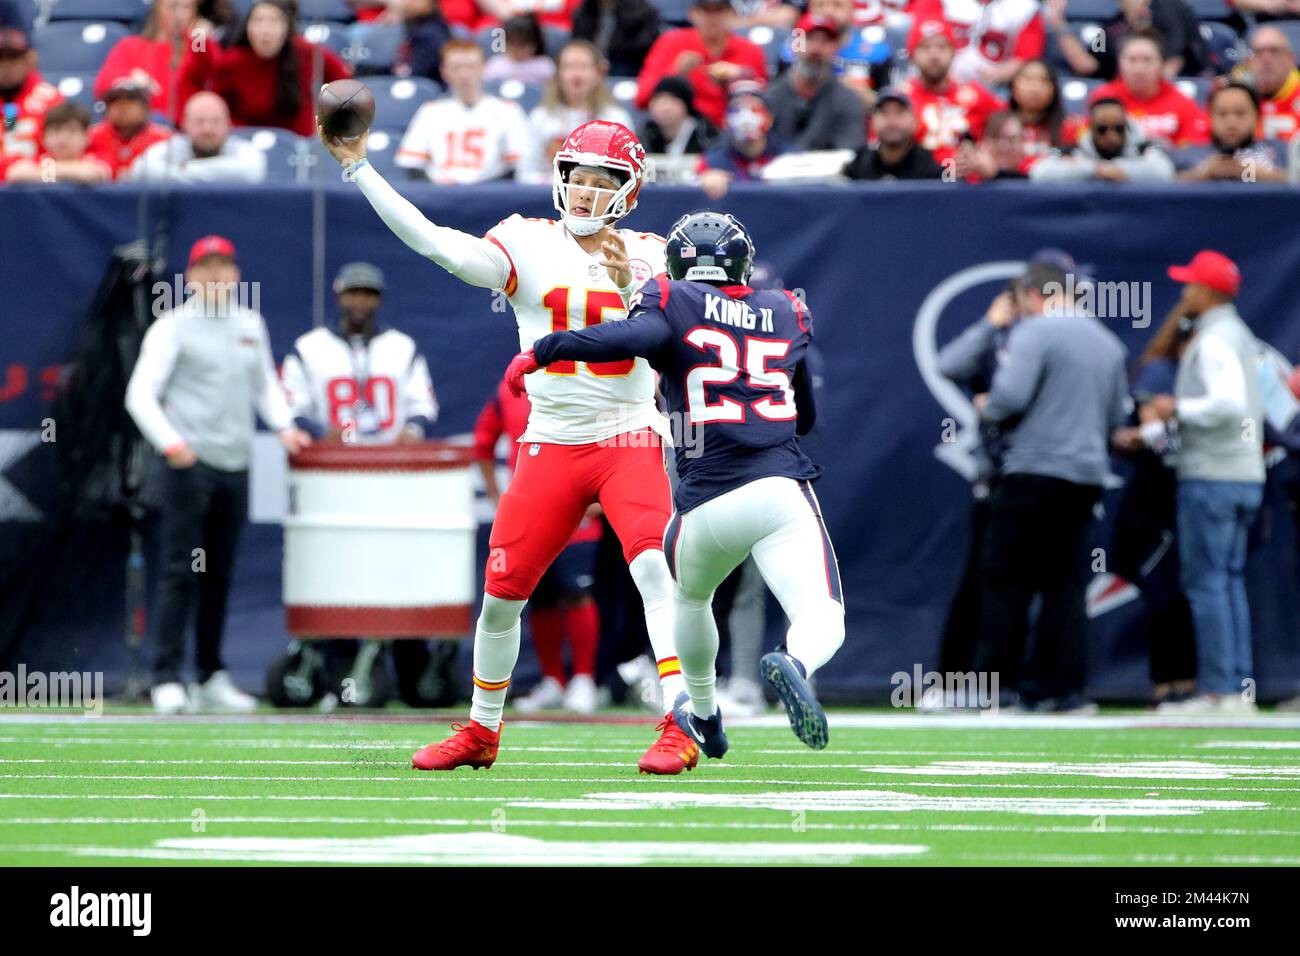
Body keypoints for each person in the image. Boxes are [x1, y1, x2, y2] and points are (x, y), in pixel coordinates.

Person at [320, 119, 698, 774]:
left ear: (629, 192)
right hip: (549, 441)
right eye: (575, 177)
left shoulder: (652, 253)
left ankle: (678, 721)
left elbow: (685, 339)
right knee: (502, 593)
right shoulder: (526, 241)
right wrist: (360, 169)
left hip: (629, 432)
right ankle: (481, 731)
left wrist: (637, 288)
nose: (583, 192)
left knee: (653, 570)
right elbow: (438, 245)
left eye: (600, 182)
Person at [506, 211, 844, 756]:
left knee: (689, 598)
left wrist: (546, 349)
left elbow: (628, 336)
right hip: (778, 486)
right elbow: (804, 415)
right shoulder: (787, 310)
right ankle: (794, 660)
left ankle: (705, 712)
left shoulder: (669, 297)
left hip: (701, 502)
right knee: (822, 612)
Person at [125, 235, 313, 714]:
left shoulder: (250, 323)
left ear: (235, 275)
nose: (215, 276)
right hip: (189, 467)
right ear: (191, 277)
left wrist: (285, 427)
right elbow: (140, 395)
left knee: (218, 574)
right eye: (206, 268)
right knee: (178, 571)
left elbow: (264, 386)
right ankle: (167, 677)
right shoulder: (172, 327)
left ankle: (209, 675)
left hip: (236, 466)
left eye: (224, 267)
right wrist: (173, 444)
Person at [279, 261, 447, 706]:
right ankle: (338, 672)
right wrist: (317, 432)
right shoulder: (310, 348)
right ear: (338, 296)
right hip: (333, 477)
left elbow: (421, 402)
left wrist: (410, 432)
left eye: (368, 294)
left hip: (391, 477)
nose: (360, 302)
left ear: (379, 300)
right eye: (353, 293)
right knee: (337, 573)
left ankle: (411, 673)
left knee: (398, 570)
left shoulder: (402, 347)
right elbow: (290, 403)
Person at [972, 262, 1130, 713]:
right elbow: (1117, 418)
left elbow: (1009, 398)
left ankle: (997, 690)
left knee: (1007, 583)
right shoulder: (1108, 343)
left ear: (1033, 295)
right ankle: (1060, 691)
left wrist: (987, 405)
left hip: (1031, 473)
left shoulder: (1035, 333)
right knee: (1066, 587)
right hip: (1084, 479)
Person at [1136, 251, 1265, 714]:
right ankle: (1233, 687)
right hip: (1242, 473)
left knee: (1208, 583)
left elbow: (1227, 404)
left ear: (1208, 292)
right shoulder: (1239, 335)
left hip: (1213, 475)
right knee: (1226, 582)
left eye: (1191, 284)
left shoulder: (1213, 340)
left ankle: (1219, 690)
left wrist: (1177, 409)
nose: (1184, 292)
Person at [473, 375, 604, 714]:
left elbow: (618, 441)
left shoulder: (587, 380)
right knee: (539, 598)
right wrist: (496, 496)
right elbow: (482, 442)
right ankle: (553, 680)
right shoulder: (509, 387)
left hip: (577, 513)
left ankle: (585, 680)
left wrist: (598, 498)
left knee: (576, 592)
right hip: (532, 512)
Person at [1110, 307, 1198, 707]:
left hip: (1196, 490)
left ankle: (1194, 681)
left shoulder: (1216, 370)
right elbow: (1149, 436)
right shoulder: (1160, 370)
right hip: (1157, 499)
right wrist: (1149, 429)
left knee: (1194, 587)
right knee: (1163, 587)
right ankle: (1167, 682)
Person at [177, 0, 352, 135]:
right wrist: (199, 40)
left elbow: (343, 81)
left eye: (274, 21)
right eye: (258, 21)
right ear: (247, 27)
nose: (265, 30)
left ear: (287, 28)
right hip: (244, 146)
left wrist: (327, 121)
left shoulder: (307, 53)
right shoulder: (233, 61)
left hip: (299, 147)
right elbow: (206, 87)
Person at [396, 39, 530, 183]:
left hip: (491, 195)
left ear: (484, 68)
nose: (464, 74)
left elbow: (519, 166)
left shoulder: (508, 111)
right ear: (444, 71)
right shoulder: (430, 112)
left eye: (471, 66)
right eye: (456, 67)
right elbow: (412, 163)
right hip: (440, 194)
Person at [634, 0, 768, 129]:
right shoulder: (671, 42)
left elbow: (764, 102)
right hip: (688, 131)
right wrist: (676, 74)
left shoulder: (750, 50)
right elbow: (642, 98)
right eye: (705, 11)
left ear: (731, 14)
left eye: (719, 11)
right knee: (669, 106)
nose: (712, 18)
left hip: (735, 128)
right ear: (693, 13)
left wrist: (734, 85)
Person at [517, 39, 632, 184]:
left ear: (598, 72)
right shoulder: (541, 117)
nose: (576, 74)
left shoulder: (616, 120)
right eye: (569, 67)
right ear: (558, 74)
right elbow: (525, 173)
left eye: (583, 66)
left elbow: (629, 175)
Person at [903, 16, 1005, 167]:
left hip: (965, 184)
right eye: (925, 47)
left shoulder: (976, 95)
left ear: (954, 53)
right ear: (912, 55)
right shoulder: (901, 99)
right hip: (917, 182)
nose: (934, 55)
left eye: (942, 47)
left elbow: (1007, 129)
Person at [764, 13, 868, 152]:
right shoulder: (772, 97)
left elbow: (851, 150)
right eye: (809, 39)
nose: (816, 48)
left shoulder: (846, 100)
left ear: (836, 48)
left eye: (825, 41)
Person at [1089, 31, 1209, 149]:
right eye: (1132, 60)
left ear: (1162, 65)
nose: (1139, 69)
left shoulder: (1182, 102)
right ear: (1120, 63)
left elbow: (1193, 146)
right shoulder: (1103, 98)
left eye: (1147, 60)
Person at [95, 0, 216, 116]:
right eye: (172, 7)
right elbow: (102, 85)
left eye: (186, 7)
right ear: (158, 9)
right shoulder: (131, 45)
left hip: (183, 128)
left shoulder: (195, 46)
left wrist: (200, 38)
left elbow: (205, 70)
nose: (180, 15)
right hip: (142, 127)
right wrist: (130, 77)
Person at [1045, 0, 1206, 81]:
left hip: (1171, 93)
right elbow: (1087, 64)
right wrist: (1058, 23)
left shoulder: (1170, 10)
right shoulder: (1111, 26)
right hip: (1125, 98)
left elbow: (1173, 63)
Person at [128, 91, 266, 183]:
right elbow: (141, 169)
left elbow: (253, 170)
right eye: (199, 121)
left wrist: (185, 168)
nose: (207, 129)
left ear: (228, 125)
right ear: (184, 124)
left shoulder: (239, 148)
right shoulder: (174, 146)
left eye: (216, 121)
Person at [1030, 97, 1176, 182]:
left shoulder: (1144, 148)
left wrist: (1119, 169)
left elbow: (1164, 171)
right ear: (1091, 129)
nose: (1111, 136)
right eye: (1102, 129)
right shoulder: (1075, 150)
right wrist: (1095, 169)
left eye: (1118, 129)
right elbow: (1040, 172)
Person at [913, 0, 1047, 87]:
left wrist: (1000, 73)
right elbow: (920, 38)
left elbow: (1026, 57)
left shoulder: (1024, 7)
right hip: (936, 79)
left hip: (992, 85)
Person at [1175, 80, 1288, 182]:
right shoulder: (1190, 153)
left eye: (1240, 113)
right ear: (1209, 117)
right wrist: (1205, 174)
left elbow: (1295, 180)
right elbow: (1169, 187)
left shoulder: (1280, 150)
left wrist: (1258, 174)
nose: (1231, 122)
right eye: (1222, 114)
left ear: (1257, 117)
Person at [696, 81, 787, 199]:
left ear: (769, 118)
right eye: (737, 108)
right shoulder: (710, 163)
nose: (746, 117)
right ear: (726, 120)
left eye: (754, 108)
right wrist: (704, 181)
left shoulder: (789, 158)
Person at [842, 86, 943, 180]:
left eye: (900, 112)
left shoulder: (931, 169)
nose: (892, 120)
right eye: (884, 112)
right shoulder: (859, 167)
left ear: (914, 120)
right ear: (872, 121)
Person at [1, 101, 112, 183]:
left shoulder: (95, 160)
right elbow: (16, 174)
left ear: (86, 137)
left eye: (71, 131)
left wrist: (40, 174)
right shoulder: (37, 160)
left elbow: (90, 175)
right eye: (55, 131)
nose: (62, 138)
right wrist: (72, 172)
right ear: (44, 138)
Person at [85, 79, 173, 180]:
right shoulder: (91, 136)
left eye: (130, 102)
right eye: (115, 102)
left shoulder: (164, 138)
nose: (123, 107)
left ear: (145, 109)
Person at [0, 23, 63, 162]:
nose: (6, 67)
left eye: (13, 59)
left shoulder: (50, 99)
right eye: (0, 60)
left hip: (36, 179)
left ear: (28, 61)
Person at [570, 0, 661, 78]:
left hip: (627, 69)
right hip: (591, 65)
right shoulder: (583, 12)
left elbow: (643, 47)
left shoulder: (643, 12)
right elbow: (578, 44)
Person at [1008, 59, 1076, 156]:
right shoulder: (997, 123)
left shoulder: (1069, 128)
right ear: (1013, 87)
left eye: (1043, 80)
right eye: (1028, 79)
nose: (1035, 88)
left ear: (1054, 90)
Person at [1244, 26, 1300, 142]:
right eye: (1258, 52)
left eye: (1275, 51)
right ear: (1248, 62)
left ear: (1291, 59)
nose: (1266, 59)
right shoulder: (1233, 96)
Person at [639, 75, 718, 156]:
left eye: (673, 101)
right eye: (659, 101)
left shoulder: (705, 135)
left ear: (686, 105)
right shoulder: (646, 135)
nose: (665, 108)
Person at [956, 109, 1032, 180]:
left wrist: (995, 173)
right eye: (995, 138)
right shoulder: (968, 175)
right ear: (983, 143)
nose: (1003, 146)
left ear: (1023, 142)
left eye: (1011, 139)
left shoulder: (1034, 169)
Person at [392, 0, 454, 85]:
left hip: (431, 87)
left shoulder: (431, 34)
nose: (408, 3)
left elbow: (419, 74)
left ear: (432, 3)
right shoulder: (414, 26)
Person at [484, 14, 556, 86]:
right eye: (512, 44)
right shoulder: (495, 65)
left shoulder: (544, 66)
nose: (517, 50)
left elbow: (552, 92)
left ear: (535, 44)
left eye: (522, 45)